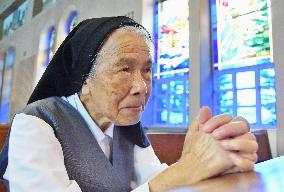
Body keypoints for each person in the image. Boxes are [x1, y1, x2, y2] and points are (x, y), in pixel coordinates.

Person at [0, 16, 258, 192]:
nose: (142, 87)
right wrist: (184, 170)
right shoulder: (35, 124)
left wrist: (215, 159)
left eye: (147, 70)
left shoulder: (124, 125)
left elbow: (155, 179)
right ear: (84, 79)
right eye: (124, 69)